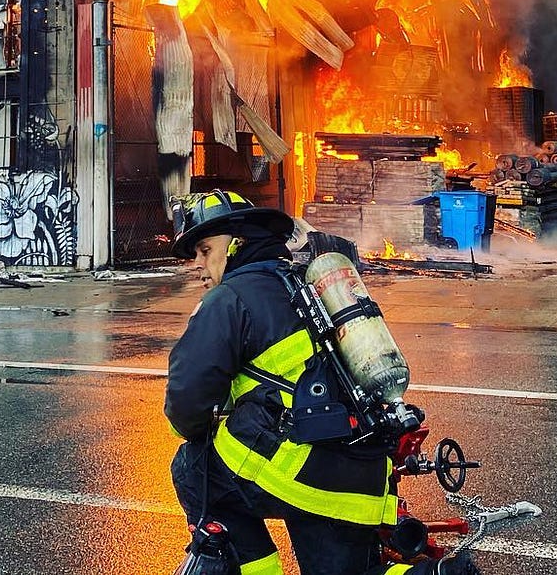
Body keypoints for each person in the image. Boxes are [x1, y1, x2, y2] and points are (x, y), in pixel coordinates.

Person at [165, 190, 475, 575]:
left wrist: (205, 425)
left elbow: (186, 404)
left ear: (236, 243)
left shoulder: (229, 299)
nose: (197, 264)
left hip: (299, 469)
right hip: (363, 474)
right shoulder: (304, 285)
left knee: (194, 465)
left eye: (204, 250)